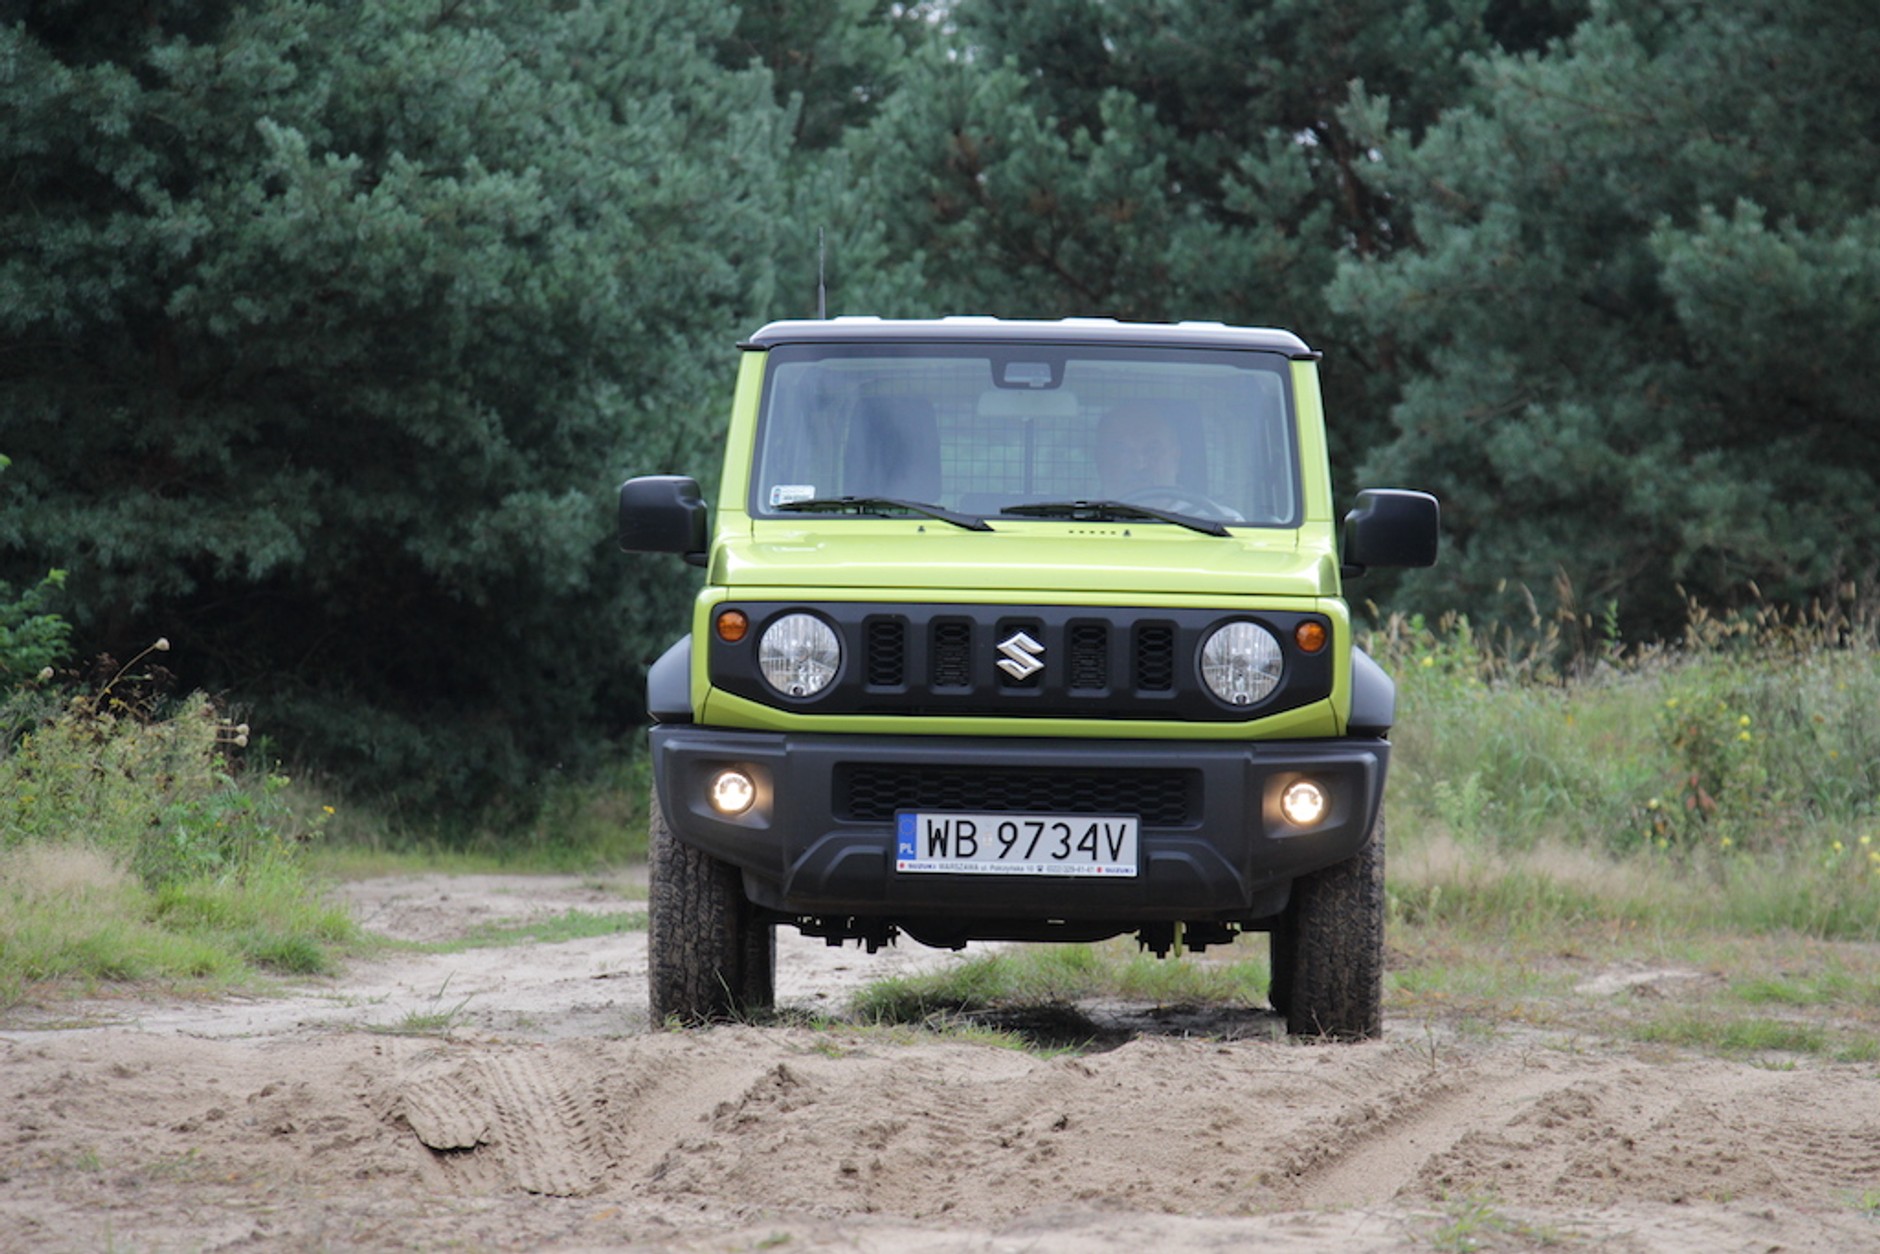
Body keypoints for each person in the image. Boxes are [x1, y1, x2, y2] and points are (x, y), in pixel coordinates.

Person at [1092, 402, 1242, 520]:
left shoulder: (1224, 523)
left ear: (1176, 457)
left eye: (1152, 450)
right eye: (1123, 451)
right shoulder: (1074, 520)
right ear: (1101, 460)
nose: (1139, 465)